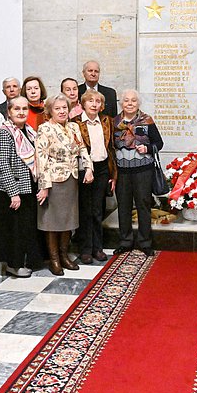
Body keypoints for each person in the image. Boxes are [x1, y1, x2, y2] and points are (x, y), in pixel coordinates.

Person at [0, 96, 44, 277]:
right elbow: (2, 165)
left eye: (24, 109)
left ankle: (21, 261)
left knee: (23, 228)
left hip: (26, 188)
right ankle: (13, 265)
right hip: (8, 191)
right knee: (13, 231)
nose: (21, 112)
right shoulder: (5, 133)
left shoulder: (29, 131)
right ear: (9, 112)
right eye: (16, 109)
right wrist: (13, 193)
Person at [35, 94, 93, 275]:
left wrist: (89, 168)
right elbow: (41, 158)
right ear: (50, 111)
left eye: (64, 108)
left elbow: (82, 148)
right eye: (57, 108)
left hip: (71, 179)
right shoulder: (45, 129)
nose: (62, 111)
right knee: (52, 221)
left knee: (68, 220)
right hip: (53, 181)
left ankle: (64, 255)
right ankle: (54, 260)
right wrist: (44, 186)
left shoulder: (74, 127)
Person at [113, 89, 164, 256]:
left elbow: (159, 143)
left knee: (143, 205)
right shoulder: (114, 122)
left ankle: (145, 242)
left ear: (138, 103)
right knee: (124, 206)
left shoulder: (147, 120)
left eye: (133, 100)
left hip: (143, 170)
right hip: (122, 172)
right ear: (121, 103)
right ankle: (125, 241)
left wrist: (147, 147)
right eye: (126, 100)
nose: (130, 103)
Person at [76, 90, 118, 264]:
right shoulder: (76, 123)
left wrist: (113, 174)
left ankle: (98, 248)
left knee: (97, 210)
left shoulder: (106, 121)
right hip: (85, 168)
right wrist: (87, 168)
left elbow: (112, 148)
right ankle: (85, 249)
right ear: (83, 104)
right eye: (90, 101)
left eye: (98, 101)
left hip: (102, 168)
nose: (94, 104)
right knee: (85, 210)